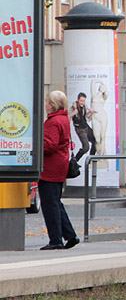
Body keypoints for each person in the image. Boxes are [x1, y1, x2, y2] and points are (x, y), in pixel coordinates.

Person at [40, 90, 79, 250]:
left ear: (52, 105)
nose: (45, 104)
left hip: (50, 168)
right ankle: (70, 235)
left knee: (50, 204)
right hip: (59, 165)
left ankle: (56, 239)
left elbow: (49, 145)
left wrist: (34, 144)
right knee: (55, 202)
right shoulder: (63, 119)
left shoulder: (53, 122)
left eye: (47, 102)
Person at [70, 92, 95, 161]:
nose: (82, 102)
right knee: (86, 148)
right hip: (80, 129)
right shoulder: (73, 107)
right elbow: (67, 117)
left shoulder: (84, 106)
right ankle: (75, 160)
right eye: (81, 101)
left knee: (95, 140)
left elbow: (86, 118)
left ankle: (91, 158)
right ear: (77, 100)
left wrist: (91, 113)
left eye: (83, 101)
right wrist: (73, 113)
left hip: (86, 126)